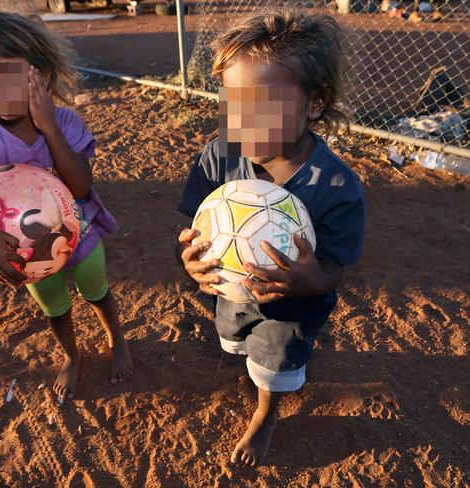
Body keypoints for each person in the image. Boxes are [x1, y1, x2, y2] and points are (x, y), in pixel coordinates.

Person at [176, 11, 366, 466]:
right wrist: (189, 258)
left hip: (292, 307)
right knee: (238, 339)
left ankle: (267, 412)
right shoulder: (219, 155)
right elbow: (194, 226)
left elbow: (335, 268)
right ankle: (254, 368)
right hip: (230, 294)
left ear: (314, 103)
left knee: (276, 357)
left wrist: (308, 281)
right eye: (233, 104)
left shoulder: (337, 188)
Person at [0, 8, 132, 402]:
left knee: (97, 292)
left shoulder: (65, 124)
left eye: (10, 78)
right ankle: (72, 354)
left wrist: (48, 126)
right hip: (24, 258)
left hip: (81, 240)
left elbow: (81, 186)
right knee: (55, 307)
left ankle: (117, 340)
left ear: (42, 75)